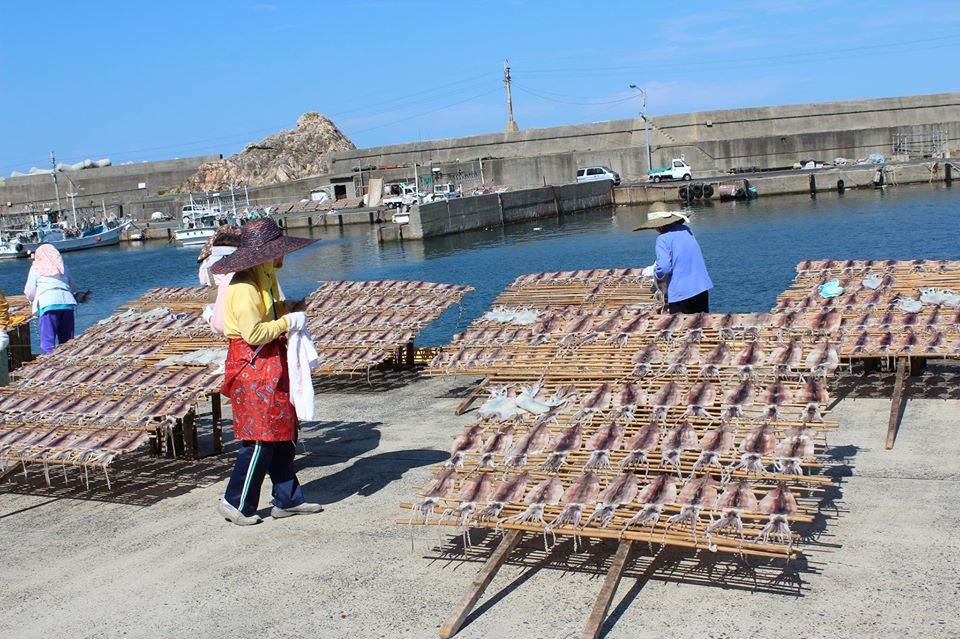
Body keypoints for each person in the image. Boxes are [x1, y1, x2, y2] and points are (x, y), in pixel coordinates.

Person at [210, 218, 323, 526]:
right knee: (260, 439)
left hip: (271, 364)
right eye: (278, 251)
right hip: (253, 367)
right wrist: (289, 323)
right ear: (265, 254)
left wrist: (287, 308)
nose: (282, 256)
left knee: (283, 435)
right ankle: (236, 503)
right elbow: (254, 333)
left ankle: (288, 499)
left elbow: (268, 316)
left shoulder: (265, 277)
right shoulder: (244, 286)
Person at [634, 202, 713, 314]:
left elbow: (664, 268)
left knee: (680, 329)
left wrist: (656, 273)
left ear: (659, 225)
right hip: (701, 287)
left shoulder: (662, 239)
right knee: (701, 324)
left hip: (681, 293)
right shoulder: (686, 230)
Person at [24, 243, 79, 353]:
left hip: (48, 304)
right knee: (67, 342)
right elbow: (73, 287)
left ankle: (50, 363)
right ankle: (67, 360)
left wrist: (31, 299)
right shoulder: (62, 267)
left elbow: (29, 291)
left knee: (48, 342)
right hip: (67, 304)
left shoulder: (36, 268)